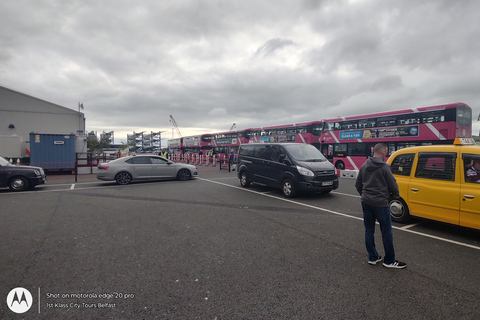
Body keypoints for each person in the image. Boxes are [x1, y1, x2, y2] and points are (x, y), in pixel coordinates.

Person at [355, 143, 407, 269]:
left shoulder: (364, 165)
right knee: (386, 232)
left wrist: (364, 195)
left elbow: (358, 184)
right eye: (386, 153)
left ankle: (372, 257)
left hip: (366, 202)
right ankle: (389, 260)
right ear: (383, 152)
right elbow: (393, 184)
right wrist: (396, 194)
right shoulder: (385, 167)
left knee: (369, 230)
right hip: (380, 203)